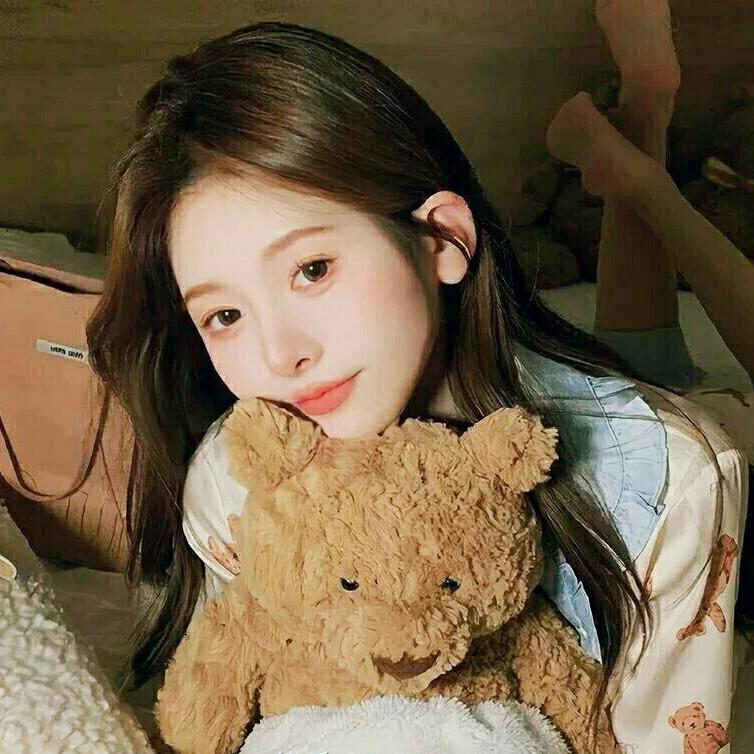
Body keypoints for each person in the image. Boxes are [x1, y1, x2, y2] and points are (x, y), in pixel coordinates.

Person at [85, 3, 749, 752]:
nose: (280, 355)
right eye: (225, 315)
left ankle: (645, 124)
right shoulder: (234, 482)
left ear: (442, 239)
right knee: (642, 349)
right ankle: (640, 119)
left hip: (685, 432)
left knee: (661, 370)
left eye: (312, 269)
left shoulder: (671, 479)